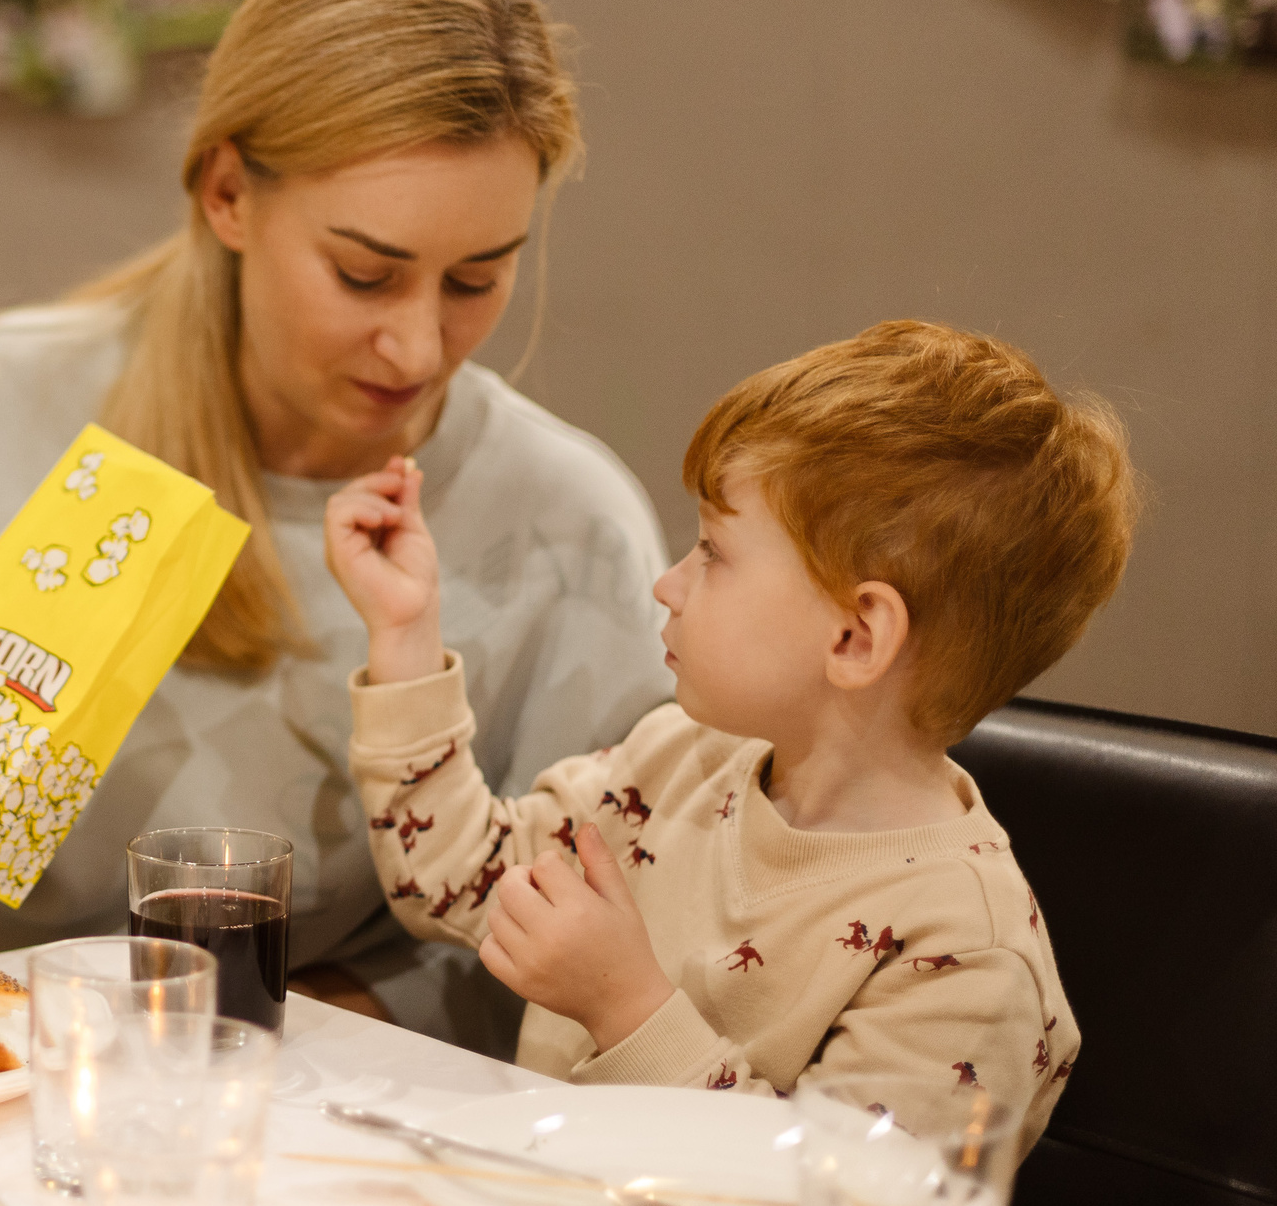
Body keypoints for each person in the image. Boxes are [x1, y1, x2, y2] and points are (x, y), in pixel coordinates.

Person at [0, 0, 672, 1047]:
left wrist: (268, 1033)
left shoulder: (566, 527)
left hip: (238, 1097)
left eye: (477, 278)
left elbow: (580, 934)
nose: (417, 347)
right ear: (227, 192)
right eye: (362, 274)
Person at [327, 320, 1135, 1145]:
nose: (669, 583)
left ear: (856, 637)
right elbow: (452, 872)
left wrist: (625, 1006)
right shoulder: (678, 759)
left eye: (714, 551)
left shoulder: (966, 950)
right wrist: (404, 629)